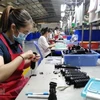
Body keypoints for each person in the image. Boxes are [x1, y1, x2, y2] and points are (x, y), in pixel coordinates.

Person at [0, 6, 40, 99]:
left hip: (18, 87)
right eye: (25, 32)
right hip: (5, 93)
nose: (25, 36)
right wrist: (22, 57)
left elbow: (17, 66)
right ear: (13, 27)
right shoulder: (1, 43)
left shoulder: (17, 43)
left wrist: (30, 61)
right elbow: (1, 74)